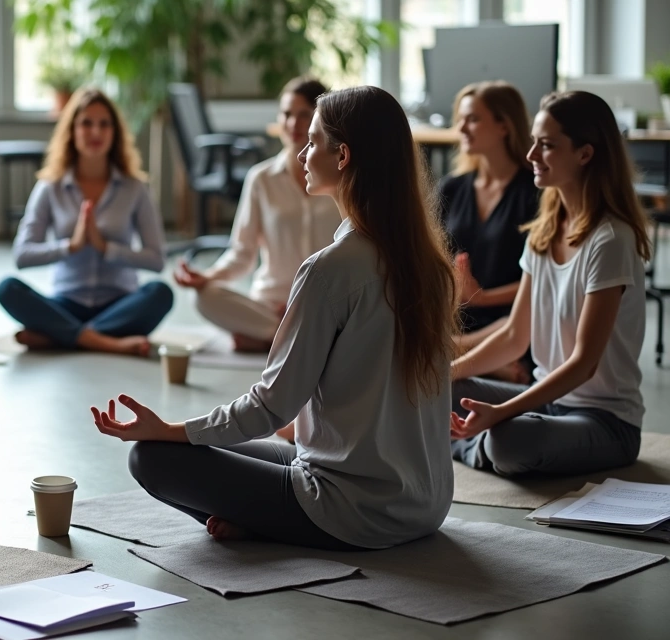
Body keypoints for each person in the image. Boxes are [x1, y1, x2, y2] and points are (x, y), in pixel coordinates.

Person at [91, 86, 457, 550]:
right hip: (425, 504)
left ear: (342, 156)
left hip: (353, 509)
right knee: (214, 444)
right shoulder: (431, 265)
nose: (302, 153)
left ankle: (270, 524)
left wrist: (168, 431)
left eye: (312, 141)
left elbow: (271, 408)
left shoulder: (332, 268)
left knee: (152, 457)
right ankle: (261, 519)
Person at [449, 91, 649, 477]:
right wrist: (449, 372)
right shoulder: (544, 232)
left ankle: (471, 444)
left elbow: (583, 366)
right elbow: (514, 335)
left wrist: (502, 413)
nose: (531, 155)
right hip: (544, 404)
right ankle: (477, 442)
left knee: (512, 439)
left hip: (605, 421)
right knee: (444, 394)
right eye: (534, 143)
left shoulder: (610, 240)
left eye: (547, 145)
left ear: (585, 154)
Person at [0, 88, 172, 357]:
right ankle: (105, 341)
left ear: (115, 133)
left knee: (160, 293)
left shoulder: (134, 188)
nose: (95, 132)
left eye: (104, 124)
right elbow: (22, 255)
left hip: (121, 303)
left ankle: (62, 335)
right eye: (86, 123)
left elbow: (157, 259)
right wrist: (71, 246)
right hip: (67, 302)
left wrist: (105, 248)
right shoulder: (50, 186)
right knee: (7, 288)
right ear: (71, 131)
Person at [173, 76, 340, 354]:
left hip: (322, 304)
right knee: (203, 298)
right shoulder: (261, 179)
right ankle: (289, 336)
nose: (293, 124)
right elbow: (242, 254)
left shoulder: (339, 177)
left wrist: (308, 304)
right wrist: (208, 277)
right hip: (270, 306)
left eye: (303, 115)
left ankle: (275, 340)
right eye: (286, 114)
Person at [439, 81, 540, 382]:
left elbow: (543, 280)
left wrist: (484, 297)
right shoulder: (452, 188)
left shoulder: (534, 193)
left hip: (512, 318)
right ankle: (485, 361)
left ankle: (464, 354)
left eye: (473, 119)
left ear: (504, 126)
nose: (462, 127)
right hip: (458, 316)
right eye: (460, 118)